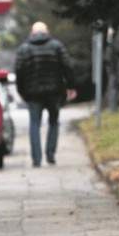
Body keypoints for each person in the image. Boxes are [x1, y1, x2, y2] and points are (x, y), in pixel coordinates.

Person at [15, 21, 77, 167]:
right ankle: (50, 155)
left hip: (32, 94)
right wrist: (71, 86)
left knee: (34, 124)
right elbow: (68, 66)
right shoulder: (56, 46)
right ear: (47, 31)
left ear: (31, 32)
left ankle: (36, 159)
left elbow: (19, 72)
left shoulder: (24, 49)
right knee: (54, 122)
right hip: (54, 93)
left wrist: (22, 91)